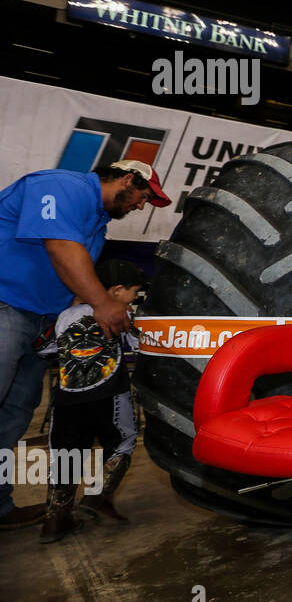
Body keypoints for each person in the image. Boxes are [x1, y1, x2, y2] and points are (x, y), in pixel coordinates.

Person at [0, 160, 169, 529]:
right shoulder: (62, 186)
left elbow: (70, 274)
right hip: (5, 306)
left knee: (13, 415)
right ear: (127, 178)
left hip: (39, 321)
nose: (140, 206)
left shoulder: (97, 223)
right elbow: (61, 248)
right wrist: (103, 303)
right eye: (144, 196)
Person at [37, 260, 146, 542]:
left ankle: (54, 522)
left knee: (65, 455)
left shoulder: (66, 314)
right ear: (118, 290)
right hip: (109, 395)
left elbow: (44, 348)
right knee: (121, 442)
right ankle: (97, 496)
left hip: (66, 401)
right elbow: (141, 343)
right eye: (134, 292)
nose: (135, 298)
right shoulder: (121, 315)